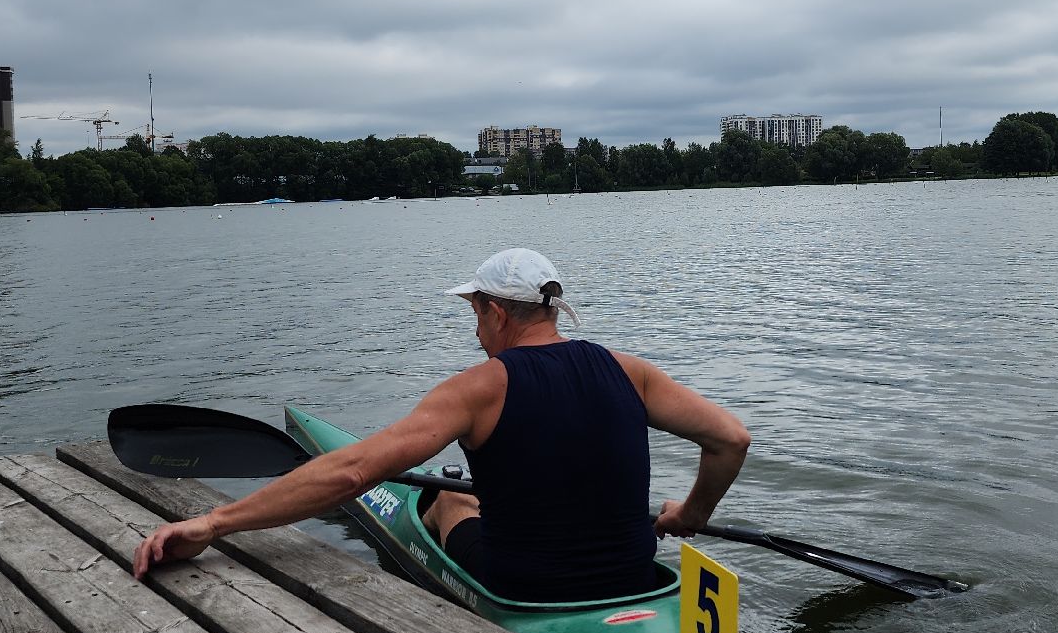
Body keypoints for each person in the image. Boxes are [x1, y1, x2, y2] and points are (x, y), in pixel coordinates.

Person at [132, 247, 751, 603]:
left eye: (474, 311)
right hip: (633, 577)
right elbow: (730, 440)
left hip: (526, 590)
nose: (474, 327)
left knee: (448, 505)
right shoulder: (631, 372)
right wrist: (692, 513)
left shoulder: (476, 390)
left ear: (495, 311)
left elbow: (351, 472)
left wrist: (215, 522)